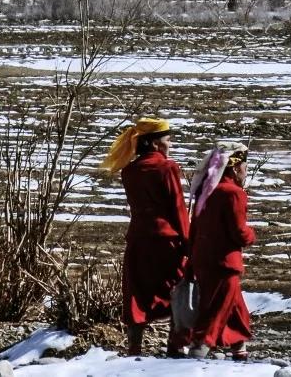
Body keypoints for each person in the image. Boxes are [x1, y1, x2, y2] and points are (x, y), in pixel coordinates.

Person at [100, 117, 190, 357]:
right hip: (166, 240)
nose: (170, 145)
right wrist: (187, 240)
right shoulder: (167, 168)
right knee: (176, 289)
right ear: (154, 143)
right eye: (168, 140)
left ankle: (134, 347)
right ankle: (175, 345)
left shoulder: (129, 171)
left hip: (138, 238)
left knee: (136, 292)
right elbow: (178, 207)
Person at [188, 142, 256, 361]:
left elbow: (195, 226)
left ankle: (239, 350)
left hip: (203, 258)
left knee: (235, 308)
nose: (246, 171)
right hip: (224, 263)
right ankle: (195, 355)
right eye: (244, 166)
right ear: (235, 168)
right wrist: (251, 235)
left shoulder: (205, 191)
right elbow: (239, 232)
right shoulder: (233, 193)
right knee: (214, 312)